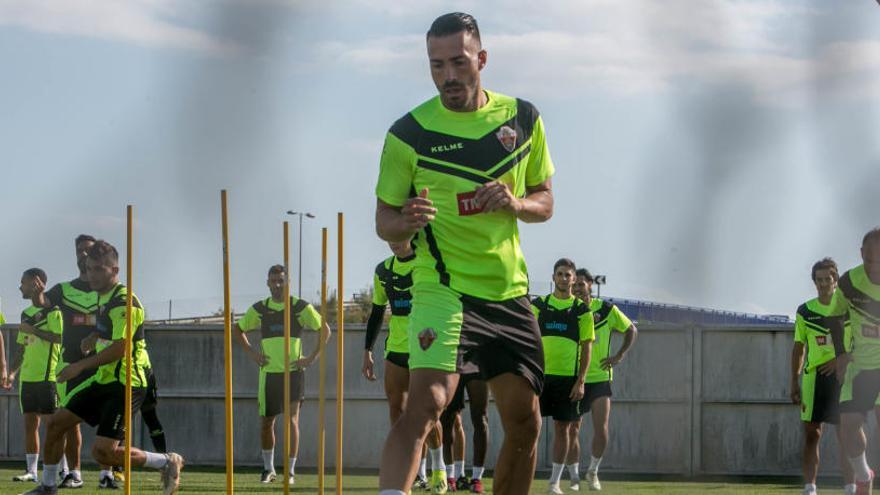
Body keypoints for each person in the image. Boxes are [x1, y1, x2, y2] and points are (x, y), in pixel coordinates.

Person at [375, 11, 555, 495]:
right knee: (427, 403)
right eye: (436, 65)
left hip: (509, 292)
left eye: (457, 62)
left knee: (525, 422)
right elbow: (383, 220)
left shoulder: (523, 119)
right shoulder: (408, 134)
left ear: (482, 58)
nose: (448, 76)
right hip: (443, 288)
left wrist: (517, 203)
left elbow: (545, 201)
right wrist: (406, 220)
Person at [22, 240, 184, 495]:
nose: (92, 275)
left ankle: (167, 461)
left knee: (103, 453)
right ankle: (48, 486)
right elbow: (105, 326)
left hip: (127, 380)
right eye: (88, 269)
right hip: (105, 377)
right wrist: (93, 336)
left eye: (98, 269)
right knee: (55, 423)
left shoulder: (123, 302)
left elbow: (120, 347)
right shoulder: (103, 297)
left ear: (115, 271)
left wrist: (78, 367)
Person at [363, 242, 448, 493]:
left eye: (402, 236)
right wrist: (367, 350)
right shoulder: (382, 271)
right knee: (397, 411)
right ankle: (414, 473)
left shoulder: (428, 263)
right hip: (396, 350)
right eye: (391, 236)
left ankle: (439, 466)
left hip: (424, 348)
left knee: (428, 412)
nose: (396, 241)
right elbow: (377, 312)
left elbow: (444, 304)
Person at [235, 264, 331, 485]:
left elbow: (325, 330)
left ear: (288, 282)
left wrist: (311, 358)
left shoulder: (300, 307)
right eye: (273, 281)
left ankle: (290, 472)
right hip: (269, 374)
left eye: (281, 281)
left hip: (293, 373)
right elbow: (237, 329)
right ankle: (268, 469)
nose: (277, 285)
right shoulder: (260, 309)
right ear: (268, 283)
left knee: (292, 421)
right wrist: (252, 352)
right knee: (267, 422)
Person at [790, 257, 857, 495]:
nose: (823, 284)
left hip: (844, 378)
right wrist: (793, 382)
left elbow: (864, 345)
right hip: (813, 380)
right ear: (814, 282)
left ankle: (850, 487)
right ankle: (810, 488)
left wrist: (840, 359)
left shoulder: (850, 309)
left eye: (827, 279)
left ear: (835, 280)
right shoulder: (805, 311)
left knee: (846, 435)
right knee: (812, 434)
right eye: (818, 280)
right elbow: (798, 348)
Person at [570, 268, 638, 491]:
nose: (577, 288)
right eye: (575, 285)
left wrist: (619, 355)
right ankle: (573, 478)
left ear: (590, 284)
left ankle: (593, 472)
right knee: (572, 429)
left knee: (602, 428)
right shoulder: (569, 309)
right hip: (574, 378)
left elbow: (631, 330)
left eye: (581, 284)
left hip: (600, 377)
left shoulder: (607, 309)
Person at [41, 234, 98, 488]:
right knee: (67, 421)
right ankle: (73, 473)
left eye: (88, 250)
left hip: (102, 365)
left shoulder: (107, 291)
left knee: (109, 425)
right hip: (69, 364)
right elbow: (43, 302)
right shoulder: (63, 289)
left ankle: (109, 474)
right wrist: (36, 291)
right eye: (79, 251)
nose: (83, 254)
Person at [534, 259, 594, 494]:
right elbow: (527, 339)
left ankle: (554, 483)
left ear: (573, 279)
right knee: (531, 427)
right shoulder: (538, 305)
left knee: (563, 429)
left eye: (568, 275)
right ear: (553, 277)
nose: (563, 278)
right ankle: (524, 475)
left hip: (568, 380)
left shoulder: (582, 310)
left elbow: (587, 347)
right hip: (539, 378)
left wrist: (581, 381)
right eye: (559, 274)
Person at [830, 228, 880, 495]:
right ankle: (863, 475)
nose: (875, 268)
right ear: (861, 255)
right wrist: (840, 353)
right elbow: (835, 316)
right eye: (870, 260)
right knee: (848, 426)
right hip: (860, 366)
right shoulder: (849, 282)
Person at [8, 269, 62, 483]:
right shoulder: (25, 313)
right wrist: (12, 373)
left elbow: (59, 338)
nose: (20, 287)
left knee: (54, 426)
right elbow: (22, 348)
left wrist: (34, 330)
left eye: (23, 282)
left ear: (36, 283)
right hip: (27, 379)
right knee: (30, 425)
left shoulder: (54, 311)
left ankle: (61, 470)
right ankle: (31, 471)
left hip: (48, 377)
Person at [440, 375, 489, 493]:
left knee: (481, 419)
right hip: (453, 362)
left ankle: (476, 478)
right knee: (447, 420)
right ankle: (450, 476)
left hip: (477, 361)